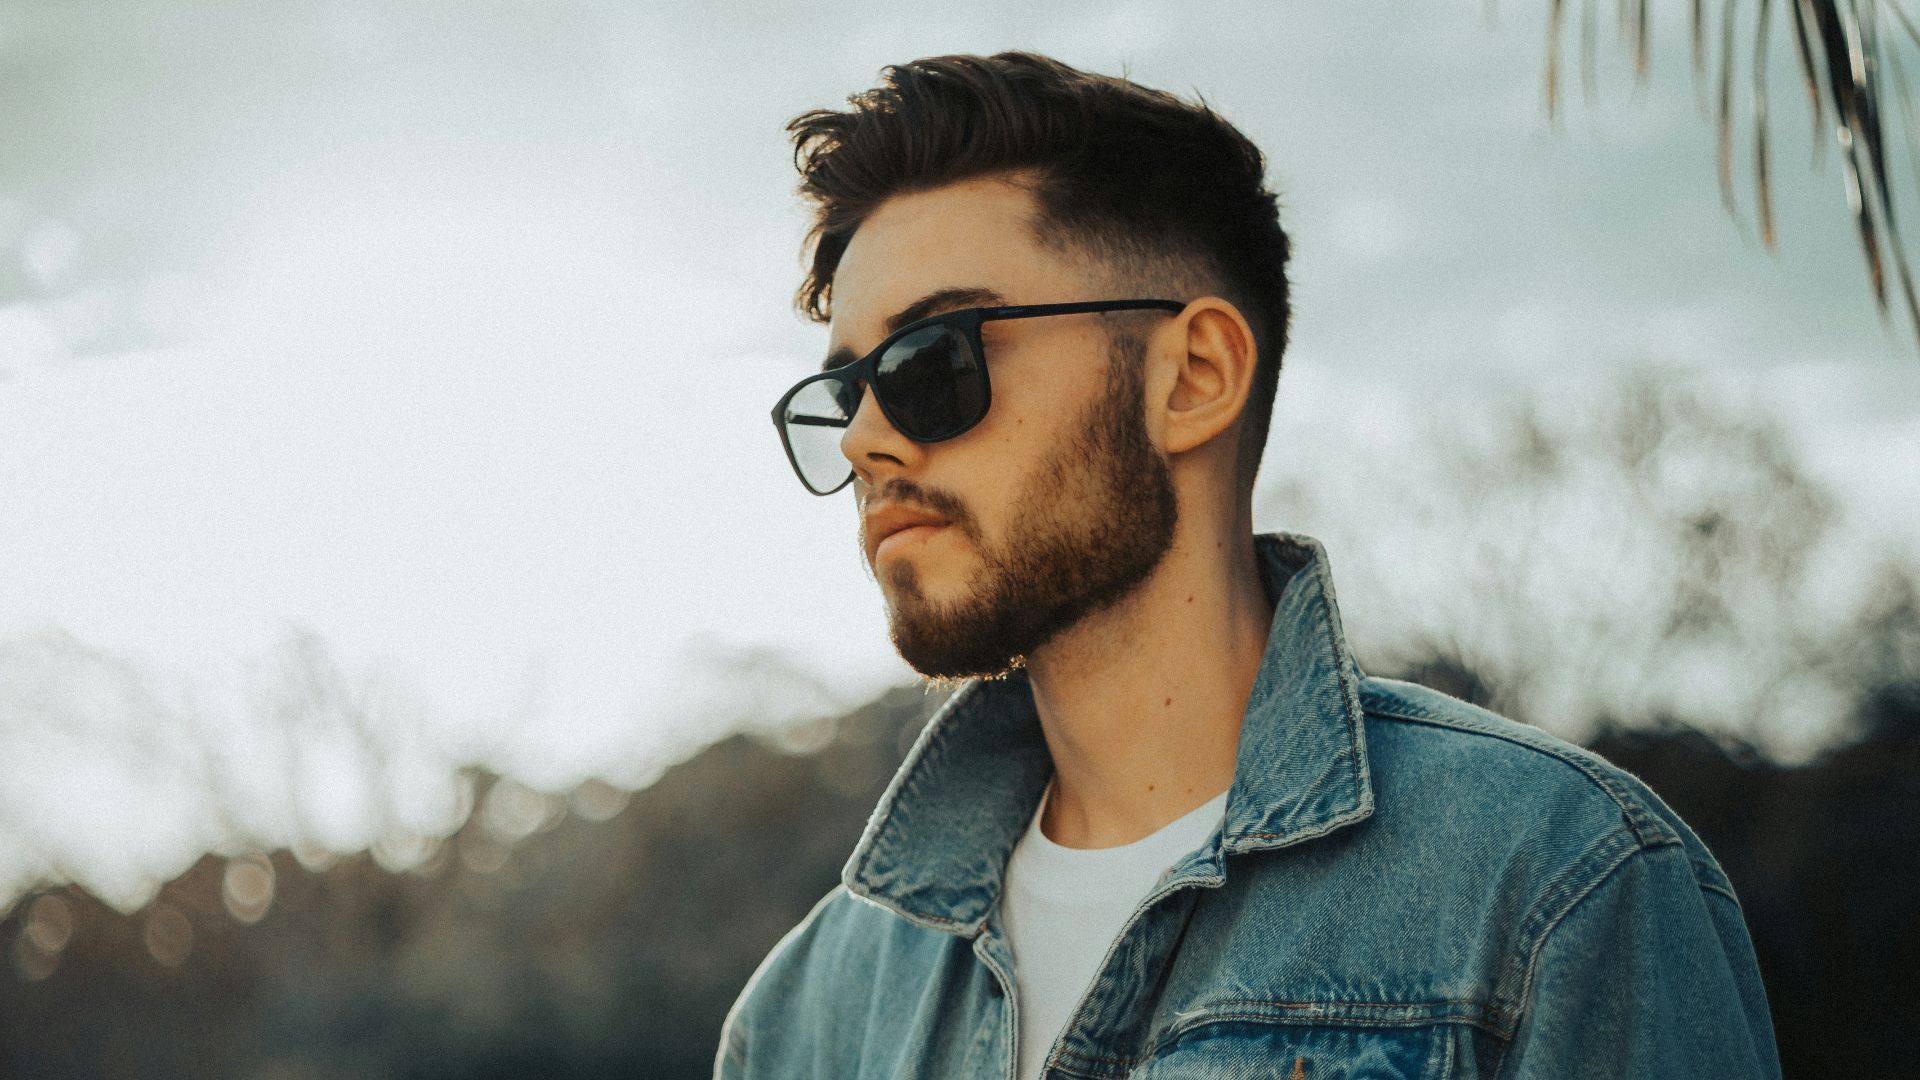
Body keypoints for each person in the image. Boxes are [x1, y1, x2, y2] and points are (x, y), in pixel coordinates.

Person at [719, 51, 1782, 1080]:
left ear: (1194, 376)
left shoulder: (1554, 886)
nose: (865, 440)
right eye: (843, 393)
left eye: (931, 360)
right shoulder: (808, 1013)